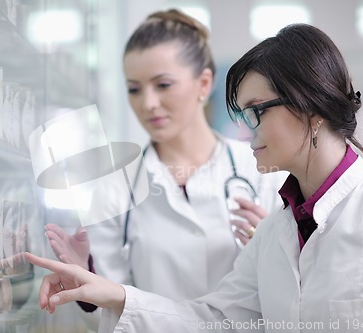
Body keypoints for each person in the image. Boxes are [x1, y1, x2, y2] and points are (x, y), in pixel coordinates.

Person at [25, 23, 363, 333]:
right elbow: (215, 320)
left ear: (309, 104)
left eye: (257, 111)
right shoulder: (276, 233)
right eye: (135, 89)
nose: (248, 131)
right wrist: (108, 291)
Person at [43, 8, 285, 319]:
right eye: (134, 89)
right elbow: (106, 308)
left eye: (163, 85)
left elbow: (291, 295)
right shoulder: (113, 186)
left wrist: (272, 249)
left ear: (204, 83)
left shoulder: (261, 172)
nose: (148, 103)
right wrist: (84, 281)